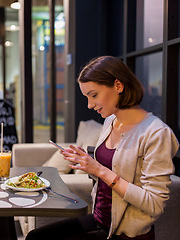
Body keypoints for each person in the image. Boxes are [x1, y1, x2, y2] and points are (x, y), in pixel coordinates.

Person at [26, 56, 179, 240]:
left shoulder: (156, 133)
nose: (90, 105)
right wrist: (87, 163)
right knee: (35, 237)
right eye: (87, 97)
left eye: (94, 95)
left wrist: (99, 169)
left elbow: (154, 204)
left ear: (118, 85)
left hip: (126, 233)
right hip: (100, 221)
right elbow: (108, 172)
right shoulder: (110, 121)